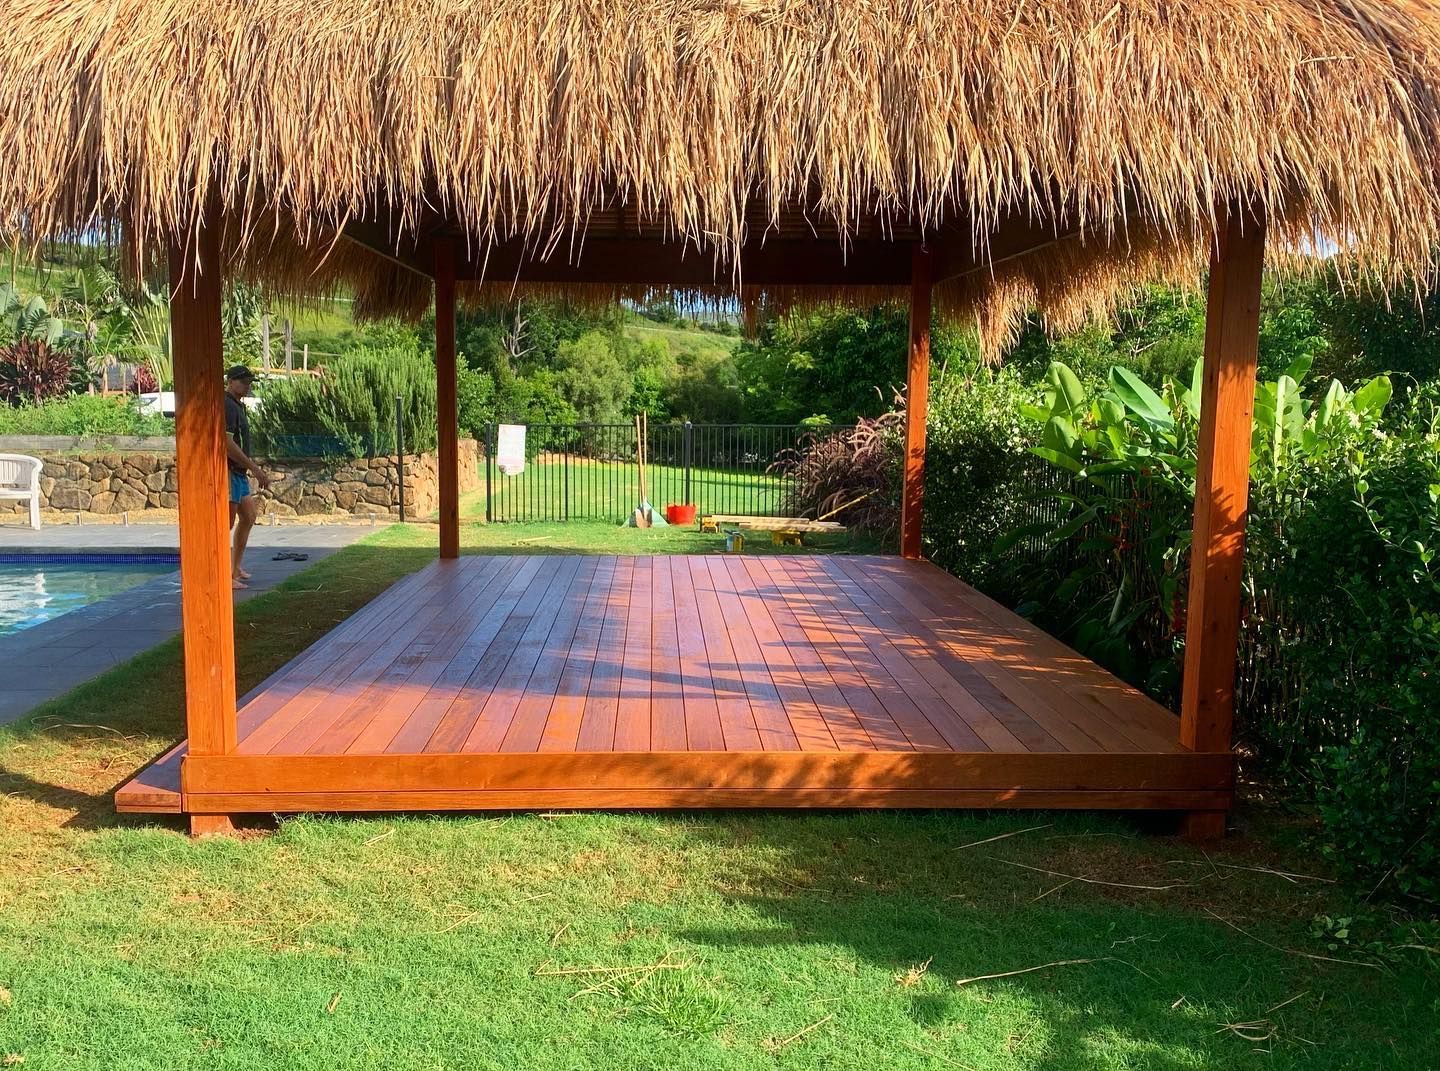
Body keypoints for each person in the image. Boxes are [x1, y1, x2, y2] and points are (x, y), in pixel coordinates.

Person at [223, 365, 270, 589]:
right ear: (230, 381)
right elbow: (227, 443)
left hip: (239, 474)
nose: (247, 385)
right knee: (226, 524)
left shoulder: (238, 406)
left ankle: (235, 568)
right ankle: (224, 576)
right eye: (243, 382)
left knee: (249, 516)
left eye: (249, 382)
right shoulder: (228, 406)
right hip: (230, 471)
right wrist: (254, 468)